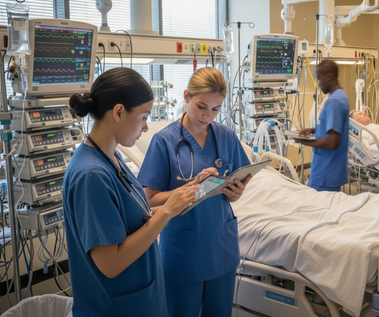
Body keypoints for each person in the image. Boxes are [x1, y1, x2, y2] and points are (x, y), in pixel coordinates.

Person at [63, 67, 197, 317]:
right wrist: (166, 213)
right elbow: (111, 263)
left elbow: (132, 216)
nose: (146, 127)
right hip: (114, 308)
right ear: (119, 112)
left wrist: (176, 203)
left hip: (141, 301)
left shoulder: (112, 157)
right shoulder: (91, 175)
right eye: (145, 117)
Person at [137, 67, 251, 317]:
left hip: (222, 246)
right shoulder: (164, 141)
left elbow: (242, 175)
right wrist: (193, 189)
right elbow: (148, 200)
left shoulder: (227, 136)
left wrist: (236, 192)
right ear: (187, 96)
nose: (207, 115)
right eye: (201, 106)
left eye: (215, 109)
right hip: (183, 251)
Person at [296, 59, 350, 192]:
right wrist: (314, 130)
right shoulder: (341, 96)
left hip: (325, 173)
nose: (318, 84)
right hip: (331, 171)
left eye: (319, 79)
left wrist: (305, 142)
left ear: (329, 76)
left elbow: (332, 142)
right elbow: (335, 128)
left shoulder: (334, 102)